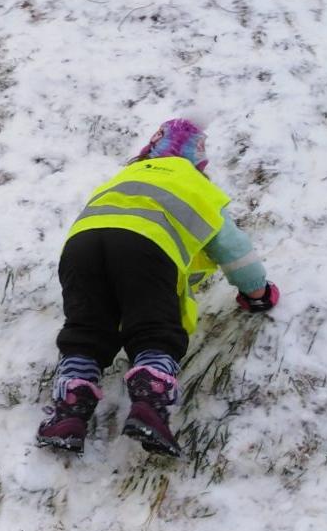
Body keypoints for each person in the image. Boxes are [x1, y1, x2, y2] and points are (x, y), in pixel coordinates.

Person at [36, 115, 277, 459]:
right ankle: (149, 404)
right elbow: (234, 250)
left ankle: (69, 414)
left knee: (87, 330)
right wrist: (257, 292)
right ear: (199, 164)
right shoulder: (196, 187)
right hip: (148, 247)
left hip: (80, 247)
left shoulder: (125, 177)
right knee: (154, 329)